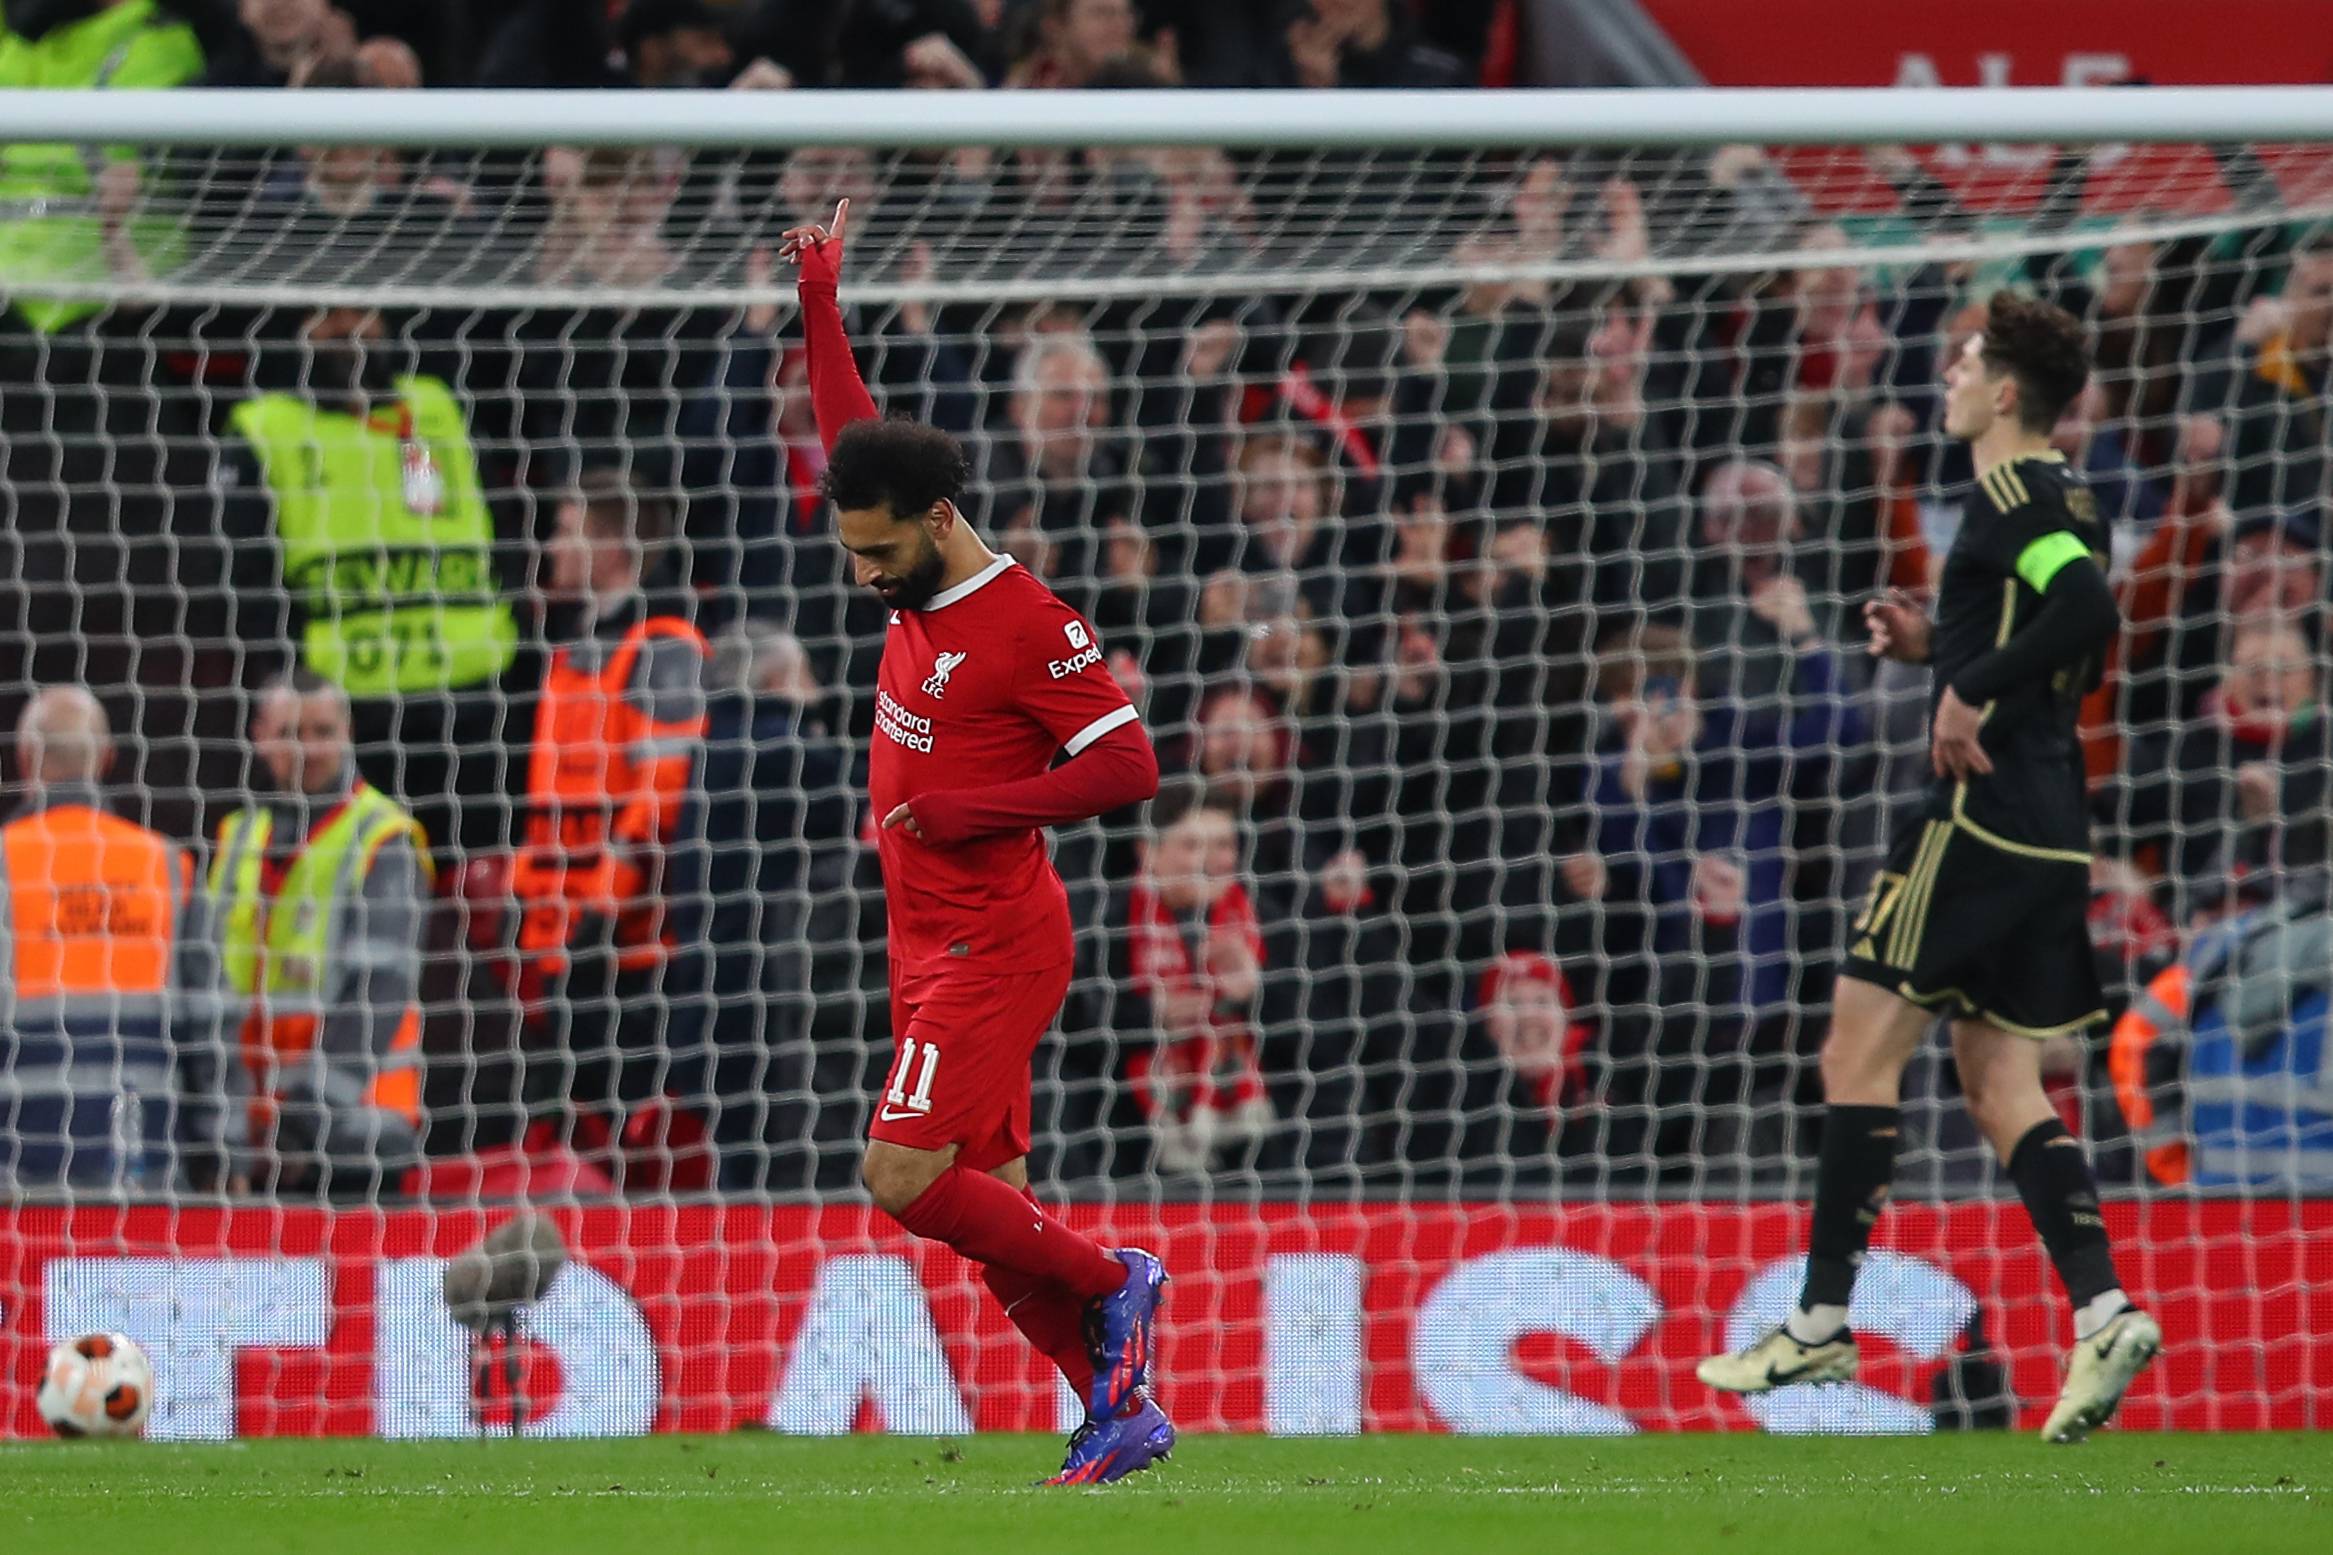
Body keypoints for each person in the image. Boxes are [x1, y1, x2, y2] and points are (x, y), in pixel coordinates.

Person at [1698, 291, 2161, 1443]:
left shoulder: (2010, 488)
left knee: (1853, 1044)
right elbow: (2059, 617)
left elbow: (2086, 611)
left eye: (1962, 362)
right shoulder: (2060, 494)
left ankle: (1815, 1320)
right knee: (2000, 1083)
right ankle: (2101, 1308)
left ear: (2004, 391)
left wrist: (1964, 686)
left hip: (1978, 817)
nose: (1945, 375)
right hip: (2052, 824)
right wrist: (1936, 644)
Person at [783, 198, 1170, 1486]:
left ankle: (1122, 1277)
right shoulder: (901, 542)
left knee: (900, 1173)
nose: (864, 577)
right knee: (990, 1219)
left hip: (996, 937)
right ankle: (1114, 1408)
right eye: (850, 553)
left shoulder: (1024, 620)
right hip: (924, 934)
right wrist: (822, 301)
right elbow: (851, 433)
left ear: (940, 520)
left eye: (881, 554)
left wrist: (973, 809)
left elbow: (1128, 763)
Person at [225, 305, 521, 856]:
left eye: (362, 312)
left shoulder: (436, 405)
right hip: (357, 710)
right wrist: (294, 683)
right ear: (296, 327)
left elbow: (506, 525)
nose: (349, 328)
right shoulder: (268, 426)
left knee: (482, 883)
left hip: (476, 700)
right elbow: (247, 578)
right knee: (366, 868)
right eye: (326, 316)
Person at [511, 472, 709, 1158]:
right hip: (562, 933)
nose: (552, 545)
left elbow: (665, 790)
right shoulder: (569, 653)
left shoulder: (661, 646)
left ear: (610, 543)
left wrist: (601, 908)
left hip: (630, 947)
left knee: (627, 1130)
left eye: (566, 529)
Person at [203, 672, 427, 1198]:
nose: (307, 749)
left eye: (322, 731)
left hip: (357, 1138)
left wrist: (301, 1125)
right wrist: (230, 1131)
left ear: (348, 731)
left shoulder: (382, 837)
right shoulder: (238, 837)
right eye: (289, 732)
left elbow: (378, 994)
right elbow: (209, 987)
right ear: (260, 735)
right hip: (256, 1142)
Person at [0, 688, 217, 1191]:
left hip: (20, 1171)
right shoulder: (166, 864)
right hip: (148, 1160)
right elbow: (209, 1024)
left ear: (24, 757)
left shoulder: (6, 863)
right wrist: (222, 1151)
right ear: (109, 758)